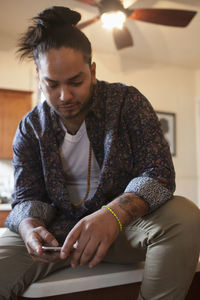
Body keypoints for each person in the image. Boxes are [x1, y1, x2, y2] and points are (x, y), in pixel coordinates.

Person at [0, 6, 199, 300]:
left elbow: (158, 173)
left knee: (185, 216)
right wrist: (29, 227)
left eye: (76, 82)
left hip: (123, 230)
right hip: (57, 238)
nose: (64, 96)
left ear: (92, 71)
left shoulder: (127, 102)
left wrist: (113, 216)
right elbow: (27, 196)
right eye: (52, 85)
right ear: (38, 76)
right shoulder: (30, 127)